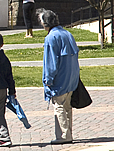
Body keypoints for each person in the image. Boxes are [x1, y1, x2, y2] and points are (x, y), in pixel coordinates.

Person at [39, 9, 80, 145]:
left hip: (60, 80)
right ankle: (68, 133)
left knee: (59, 106)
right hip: (72, 79)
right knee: (67, 106)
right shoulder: (67, 34)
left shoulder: (51, 37)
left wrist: (48, 80)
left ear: (45, 23)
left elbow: (51, 63)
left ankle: (63, 136)